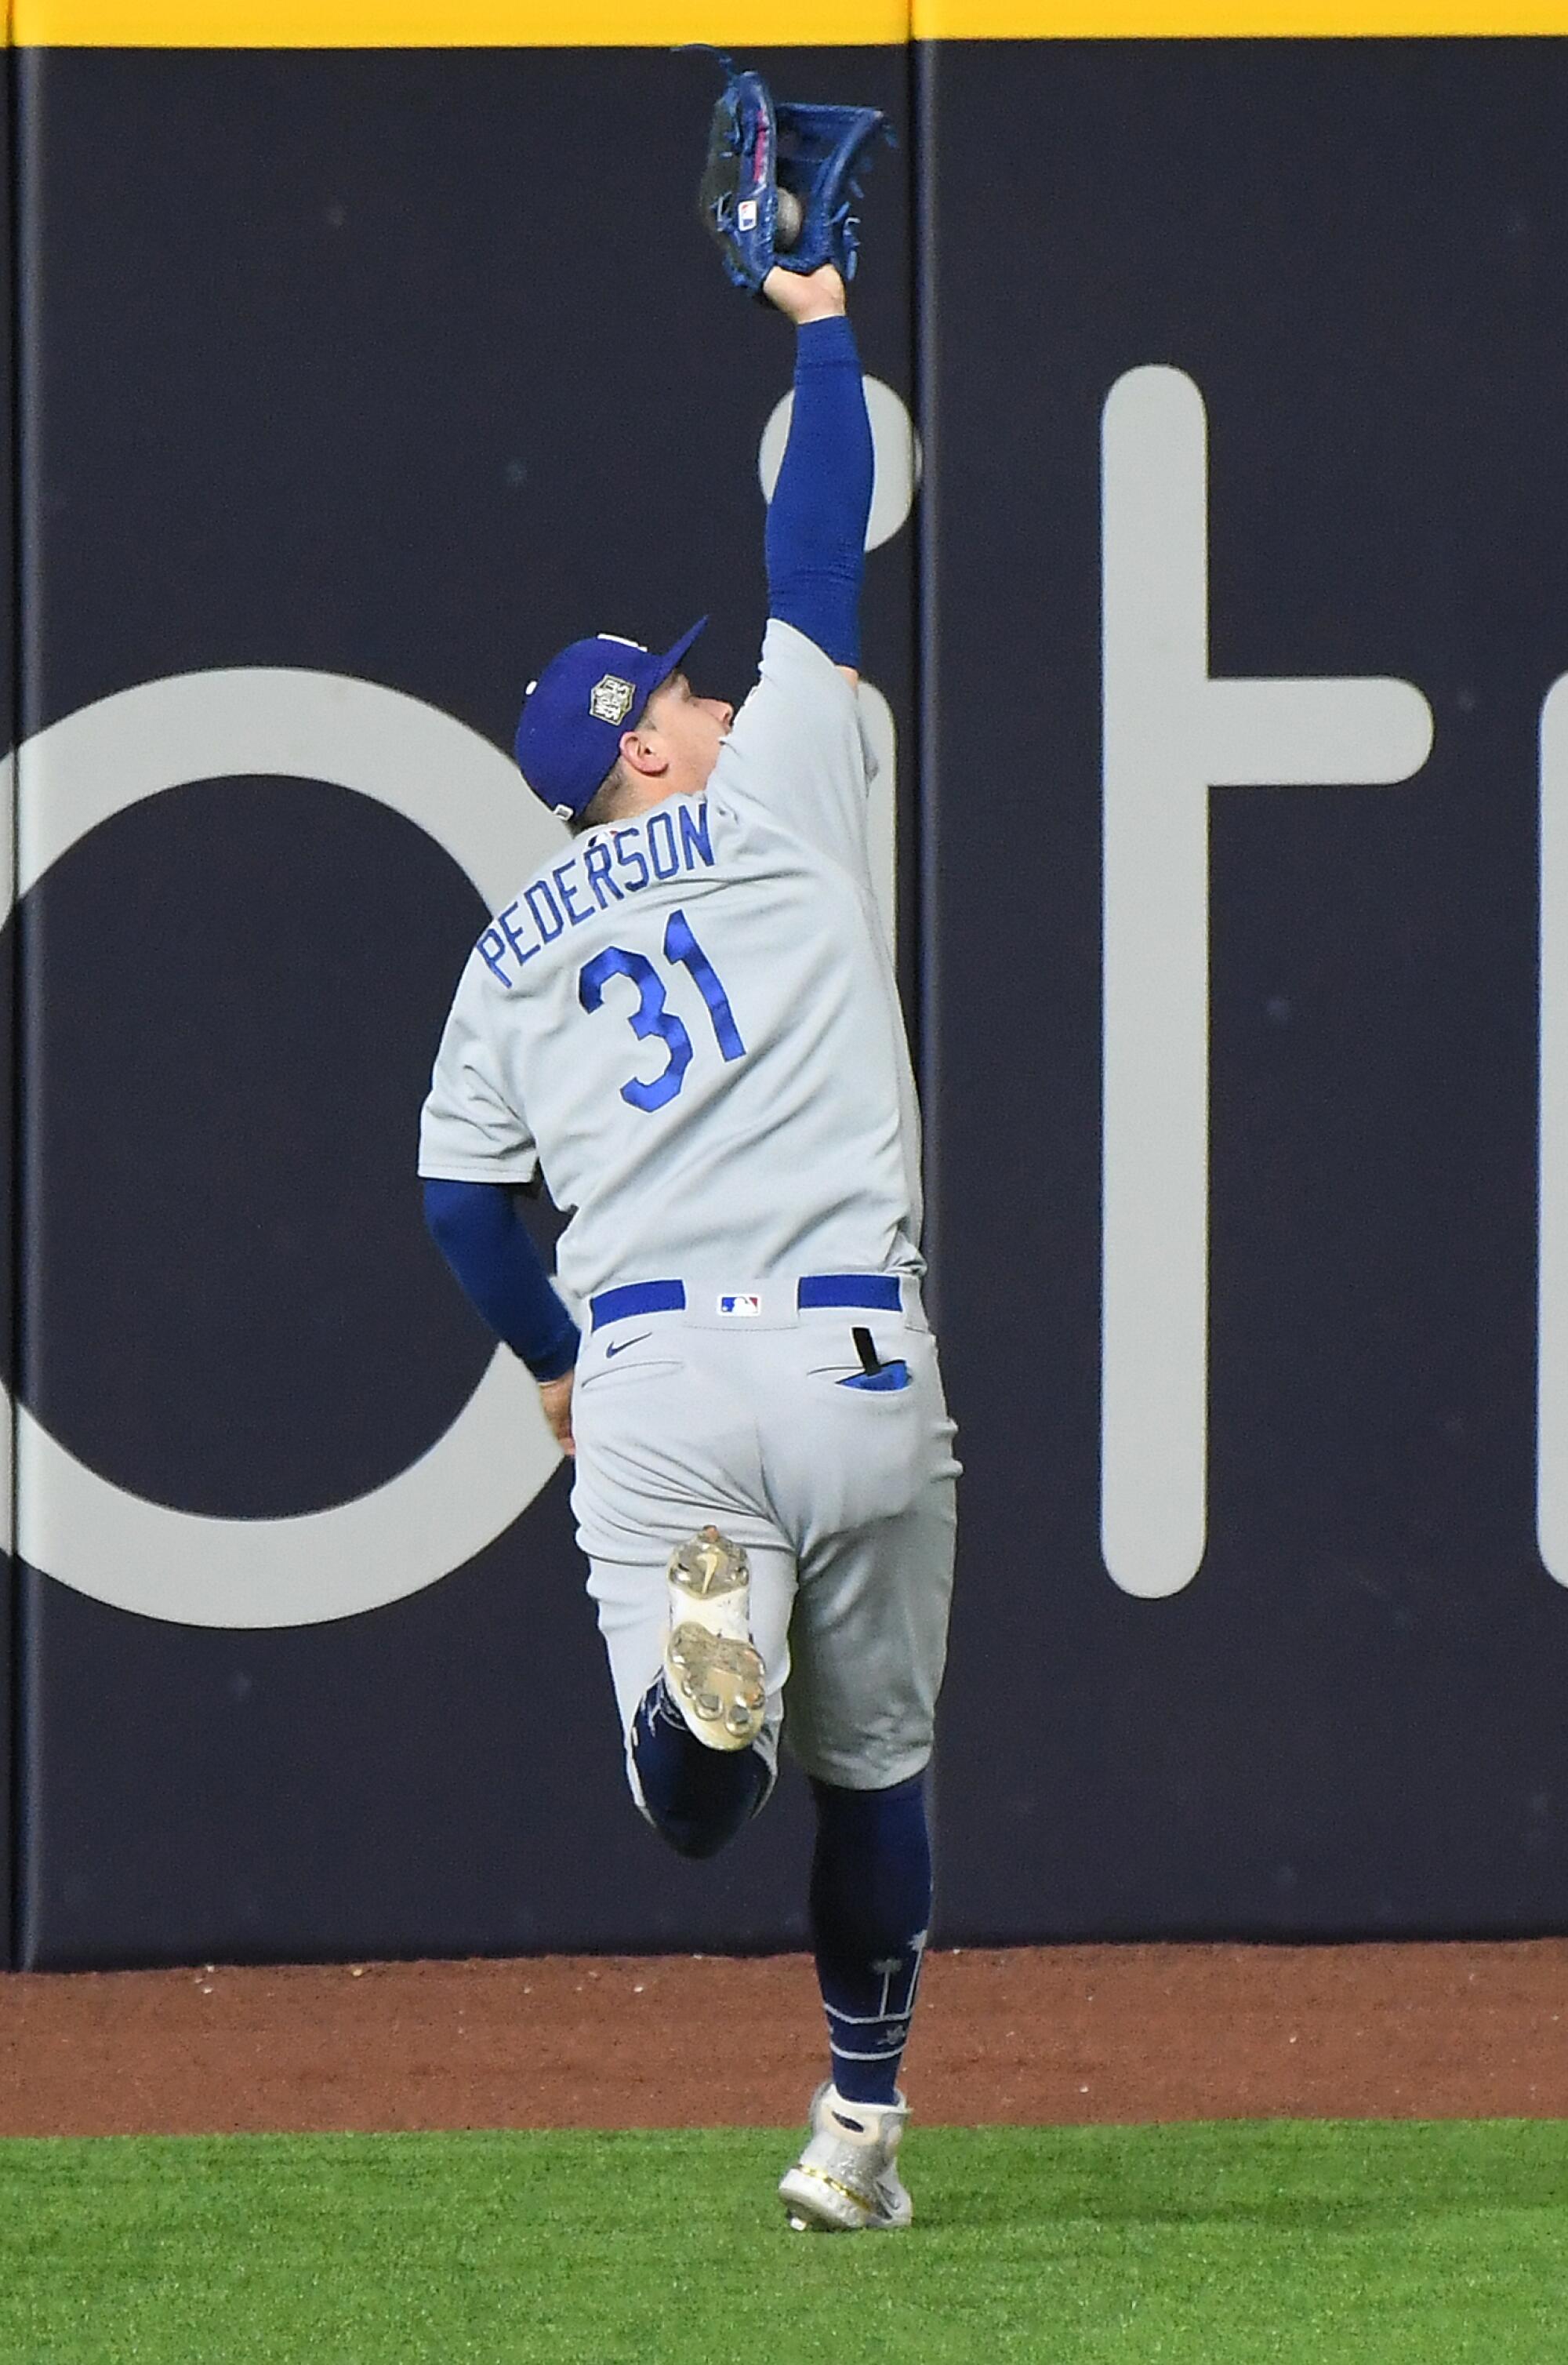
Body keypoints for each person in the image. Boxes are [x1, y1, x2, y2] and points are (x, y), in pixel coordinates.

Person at [417, 259, 960, 2232]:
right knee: (878, 1768)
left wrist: (548, 1354)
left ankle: (693, 1703)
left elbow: (459, 1195)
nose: (719, 694)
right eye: (681, 689)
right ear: (640, 749)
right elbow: (819, 533)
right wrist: (821, 323)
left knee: (687, 1798)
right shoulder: (783, 797)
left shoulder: (505, 950)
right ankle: (857, 2130)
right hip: (853, 1357)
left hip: (648, 1369)